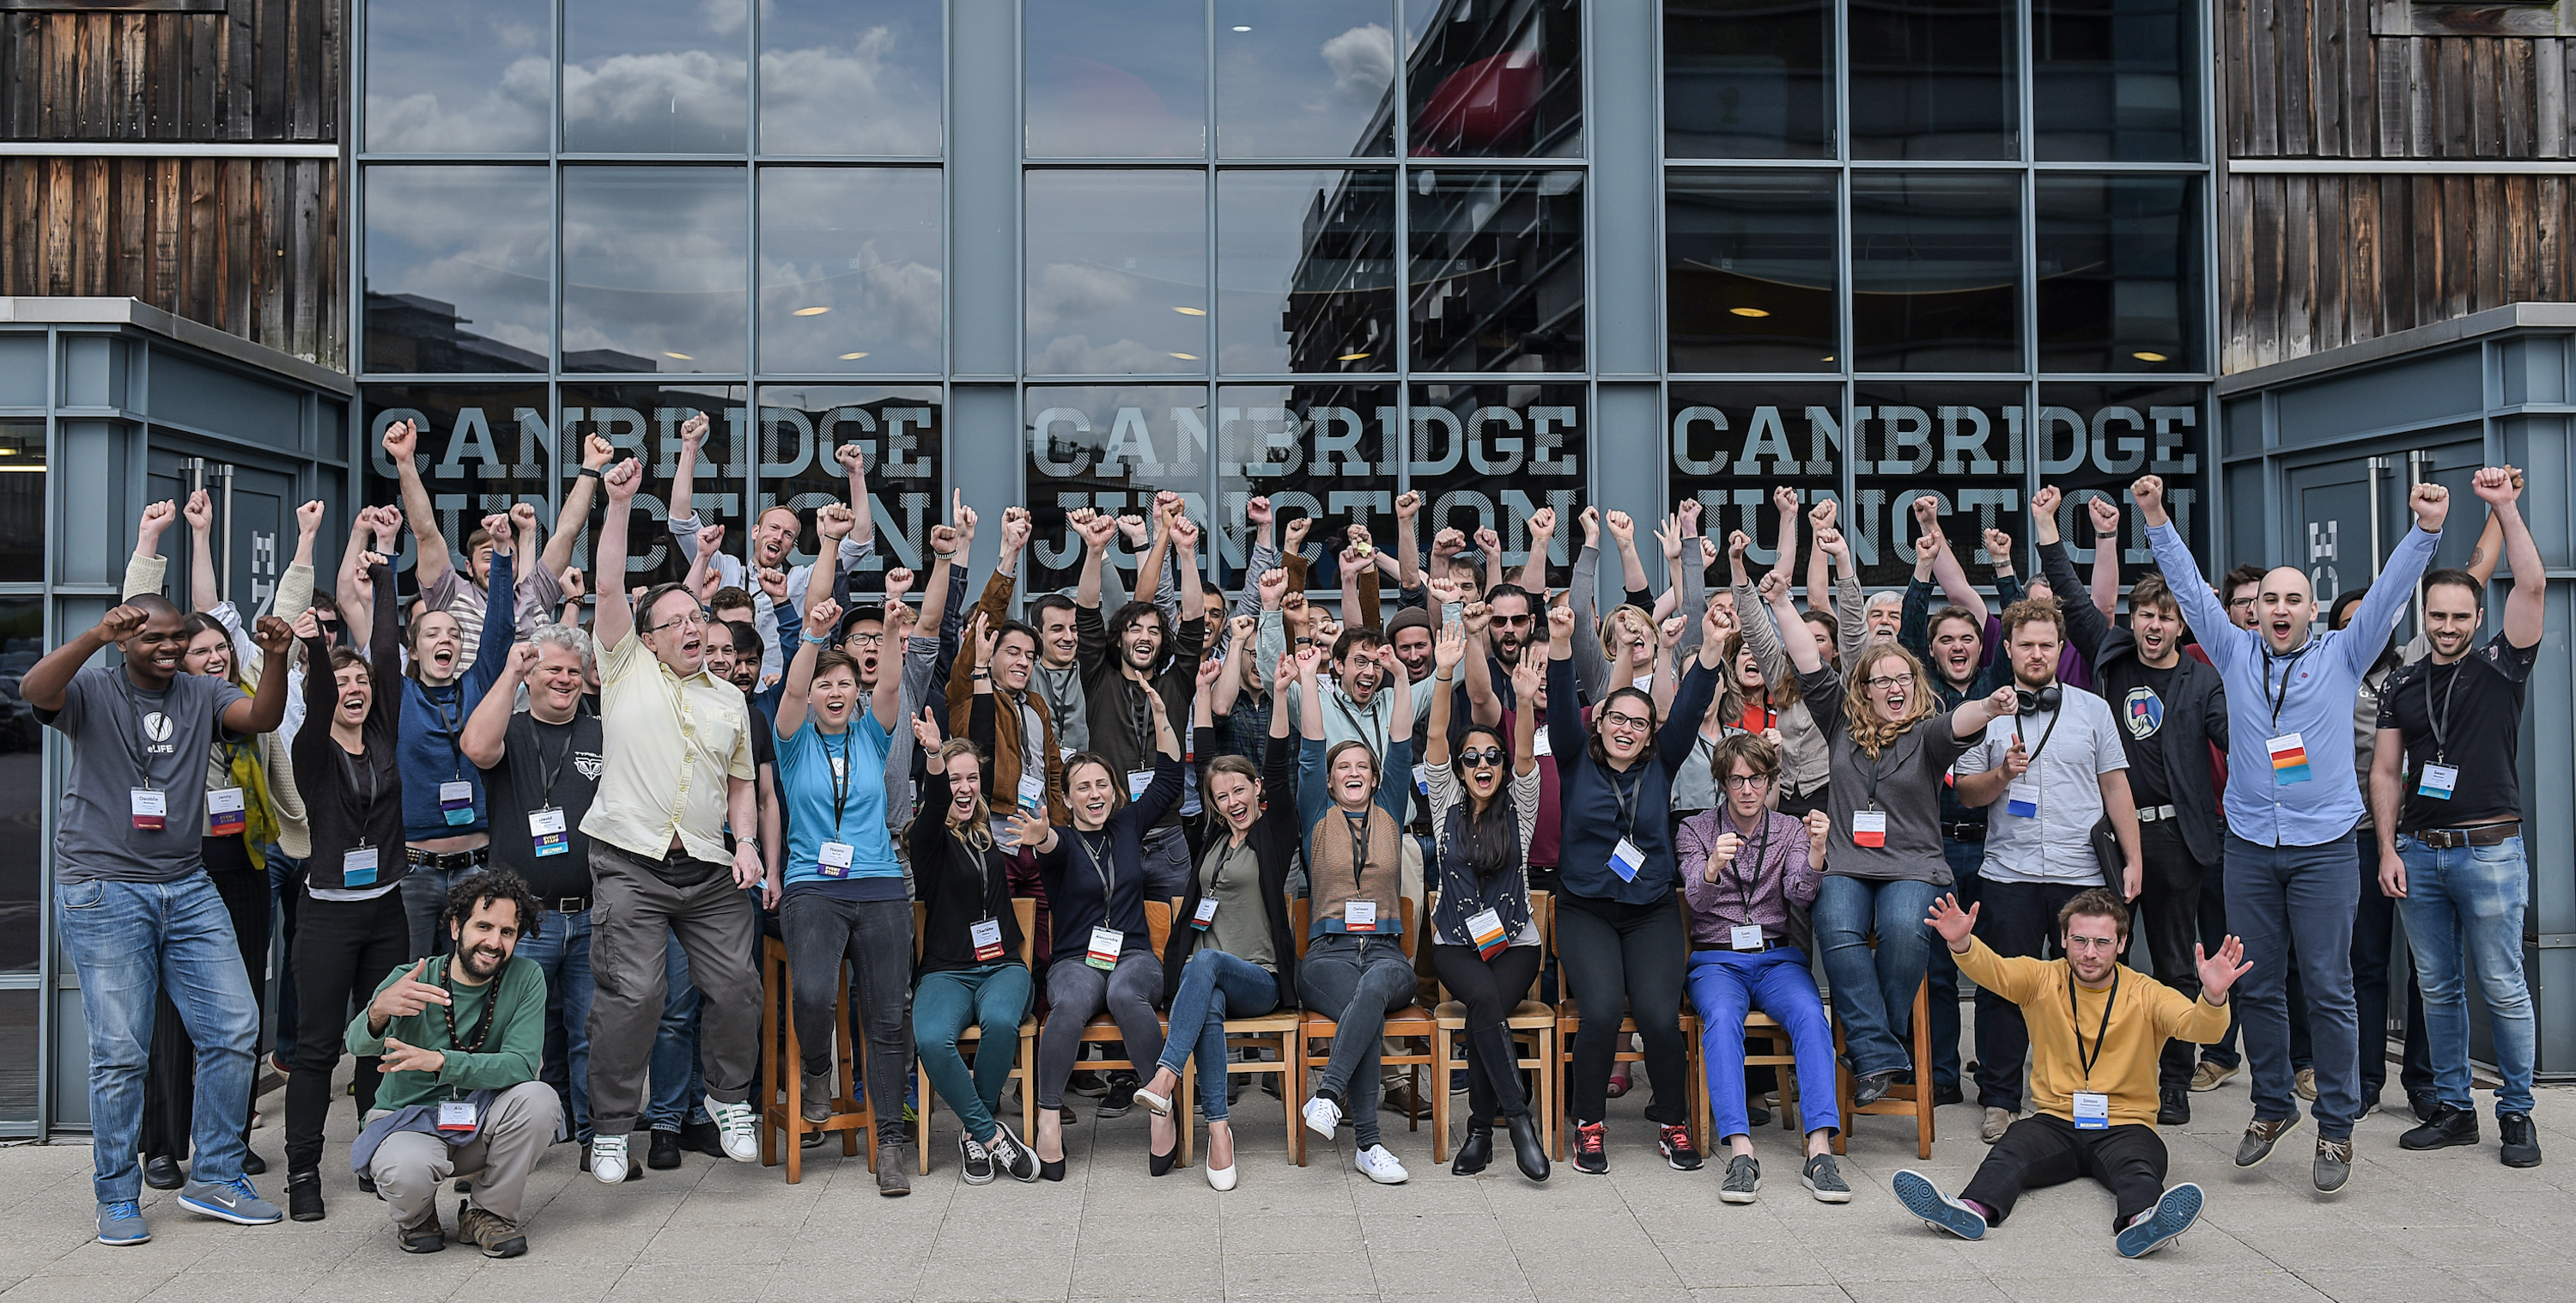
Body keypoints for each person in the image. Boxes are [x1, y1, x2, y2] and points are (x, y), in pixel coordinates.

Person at [2136, 472, 2445, 1194]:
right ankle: (2272, 1107)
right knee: (2257, 984)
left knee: (2331, 988)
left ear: (2312, 608)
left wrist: (2426, 531)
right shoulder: (2234, 649)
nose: (2279, 609)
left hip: (2325, 849)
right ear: (2255, 612)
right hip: (2247, 846)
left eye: (2292, 599)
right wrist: (2154, 516)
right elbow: (2185, 586)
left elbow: (2395, 591)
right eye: (2268, 599)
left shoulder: (2343, 651)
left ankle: (2336, 1126)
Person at [28, 581, 293, 1244]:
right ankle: (117, 1194)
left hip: (185, 881)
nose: (172, 646)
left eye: (178, 635)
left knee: (235, 1025)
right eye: (155, 637)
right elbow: (35, 690)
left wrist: (278, 657)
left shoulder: (202, 693)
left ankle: (216, 1175)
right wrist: (92, 637)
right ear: (126, 642)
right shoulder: (93, 691)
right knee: (120, 1052)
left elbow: (261, 718)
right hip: (103, 887)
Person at [578, 455, 768, 1184]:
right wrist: (618, 501)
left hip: (709, 869)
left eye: (699, 617)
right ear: (647, 636)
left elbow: (742, 784)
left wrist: (746, 843)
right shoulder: (625, 666)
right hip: (629, 860)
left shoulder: (730, 699)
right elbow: (605, 582)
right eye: (677, 621)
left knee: (738, 987)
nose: (692, 627)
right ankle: (612, 1125)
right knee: (639, 994)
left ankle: (728, 1101)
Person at [1765, 567, 2017, 1111]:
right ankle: (1883, 1049)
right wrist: (1783, 603)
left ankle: (1872, 1045)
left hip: (1913, 866)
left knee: (1905, 930)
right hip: (1848, 864)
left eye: (1904, 678)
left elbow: (1962, 721)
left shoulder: (1926, 733)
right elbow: (1810, 662)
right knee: (1835, 924)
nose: (1895, 687)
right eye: (1883, 679)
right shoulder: (1838, 721)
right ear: (1864, 689)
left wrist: (1991, 706)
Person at [1897, 890, 2245, 1259]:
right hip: (2056, 1120)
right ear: (2063, 939)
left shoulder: (2146, 993)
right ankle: (1970, 1210)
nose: (2089, 953)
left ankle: (2144, 1222)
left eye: (2101, 942)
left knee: (2140, 1169)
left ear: (2122, 943)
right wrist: (1962, 942)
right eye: (2079, 940)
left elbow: (2200, 1029)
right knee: (2009, 1151)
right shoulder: (2042, 979)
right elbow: (1995, 971)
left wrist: (2213, 997)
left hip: (2126, 1123)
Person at [2032, 485, 2230, 1128]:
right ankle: (2091, 1076)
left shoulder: (2205, 679)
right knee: (2092, 958)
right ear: (2135, 619)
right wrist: (2047, 525)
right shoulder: (2111, 655)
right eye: (2145, 613)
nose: (2153, 625)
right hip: (2115, 843)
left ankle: (2172, 1083)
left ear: (2182, 625)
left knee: (2174, 964)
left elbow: (2238, 743)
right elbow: (2065, 590)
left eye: (2167, 616)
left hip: (2180, 840)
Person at [2372, 466, 2545, 1168]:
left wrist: (2503, 508)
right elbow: (2385, 771)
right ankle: (2452, 1107)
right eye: (2437, 616)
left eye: (2459, 617)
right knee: (2437, 987)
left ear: (2478, 620)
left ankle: (2518, 1114)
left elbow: (2531, 585)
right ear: (2426, 618)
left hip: (2490, 849)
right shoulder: (2404, 683)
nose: (2446, 627)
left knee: (2502, 983)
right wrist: (2388, 849)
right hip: (2418, 850)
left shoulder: (2502, 666)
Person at [1547, 594, 1726, 1175]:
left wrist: (1713, 648)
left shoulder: (1662, 762)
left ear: (1652, 733)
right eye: (1617, 718)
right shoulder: (1576, 759)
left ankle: (1673, 1119)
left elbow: (1694, 699)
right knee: (1598, 1011)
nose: (1627, 728)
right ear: (1600, 721)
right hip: (1585, 909)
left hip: (1650, 909)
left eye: (1639, 722)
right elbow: (1556, 705)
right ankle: (1589, 1123)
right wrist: (1557, 645)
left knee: (1657, 1015)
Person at [1952, 598, 2142, 1144]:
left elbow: (2115, 786)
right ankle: (2000, 1097)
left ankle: (2081, 1094)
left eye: (2046, 644)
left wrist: (2134, 858)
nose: (2036, 654)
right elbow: (1967, 792)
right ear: (2007, 649)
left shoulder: (2092, 710)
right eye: (2026, 644)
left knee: (2085, 988)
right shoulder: (1986, 712)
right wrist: (2003, 776)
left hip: (2080, 873)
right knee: (2003, 988)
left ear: (2061, 649)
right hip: (2008, 871)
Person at [1131, 657, 1303, 1191]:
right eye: (1223, 796)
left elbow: (1276, 765)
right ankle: (1220, 1133)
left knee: (1204, 965)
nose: (1233, 802)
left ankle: (1166, 1075)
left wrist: (1278, 692)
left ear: (1256, 791)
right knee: (1203, 994)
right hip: (1207, 981)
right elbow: (1204, 759)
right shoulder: (1210, 836)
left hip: (1259, 978)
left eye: (1241, 791)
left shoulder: (1272, 836)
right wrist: (1201, 693)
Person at [1011, 676, 1184, 1181]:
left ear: (1116, 790)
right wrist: (1041, 837)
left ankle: (1160, 1107)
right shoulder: (1061, 841)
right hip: (1074, 961)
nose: (1095, 794)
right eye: (1083, 786)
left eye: (1102, 784)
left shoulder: (1129, 825)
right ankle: (1047, 1120)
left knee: (1130, 995)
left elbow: (1172, 780)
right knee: (1067, 1004)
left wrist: (1162, 716)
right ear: (1066, 797)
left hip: (1132, 957)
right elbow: (1048, 848)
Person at [282, 553, 411, 1223]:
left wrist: (385, 579)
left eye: (360, 679)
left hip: (385, 909)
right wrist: (315, 645)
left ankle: (372, 1149)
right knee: (317, 1047)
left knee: (380, 1039)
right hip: (329, 915)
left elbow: (386, 654)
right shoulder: (310, 747)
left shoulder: (384, 733)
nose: (355, 687)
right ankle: (303, 1171)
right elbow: (326, 689)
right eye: (342, 680)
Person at [771, 594, 916, 1192]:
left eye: (845, 684)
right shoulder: (793, 740)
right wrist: (812, 636)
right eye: (824, 684)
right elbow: (789, 693)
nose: (834, 692)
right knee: (811, 993)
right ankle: (817, 1066)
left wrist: (889, 625)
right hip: (812, 886)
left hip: (880, 885)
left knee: (886, 1015)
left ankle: (889, 1144)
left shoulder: (874, 736)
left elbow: (889, 685)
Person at [345, 872, 558, 1257]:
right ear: (457, 927)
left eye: (507, 932)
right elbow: (356, 1043)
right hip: (407, 1122)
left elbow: (522, 1065)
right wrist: (378, 1011)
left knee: (539, 1100)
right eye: (483, 926)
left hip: (479, 1118)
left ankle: (488, 1214)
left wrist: (440, 1061)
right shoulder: (412, 978)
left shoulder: (526, 978)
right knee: (408, 1169)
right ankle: (418, 1217)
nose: (494, 943)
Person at [460, 625, 608, 1171]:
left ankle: (596, 1135)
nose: (564, 679)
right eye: (552, 669)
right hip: (523, 923)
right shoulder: (511, 728)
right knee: (523, 1033)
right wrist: (509, 673)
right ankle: (534, 1127)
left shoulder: (600, 731)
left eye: (573, 669)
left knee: (589, 1030)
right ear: (532, 675)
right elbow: (475, 747)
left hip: (590, 913)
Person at [1678, 734, 1846, 1204]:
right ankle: (1740, 1152)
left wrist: (1815, 854)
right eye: (1737, 780)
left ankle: (1819, 1151)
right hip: (1717, 958)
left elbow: (1799, 895)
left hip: (1774, 955)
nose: (1747, 789)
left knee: (1813, 1016)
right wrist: (1712, 866)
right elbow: (1695, 897)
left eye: (1756, 779)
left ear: (1771, 780)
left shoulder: (1791, 830)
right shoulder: (1695, 829)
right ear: (1723, 783)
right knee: (1722, 1019)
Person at [1421, 624, 1551, 1182]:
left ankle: (1480, 1132)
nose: (1481, 764)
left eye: (1490, 756)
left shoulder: (1520, 805)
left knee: (1485, 1010)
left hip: (1515, 942)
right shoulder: (1445, 799)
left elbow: (1525, 754)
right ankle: (1519, 1123)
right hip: (1454, 941)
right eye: (1471, 756)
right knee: (1483, 1003)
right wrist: (1443, 672)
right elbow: (1433, 741)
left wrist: (1522, 698)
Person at [1290, 642, 1423, 1185]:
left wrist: (1400, 677)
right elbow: (1310, 744)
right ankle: (1369, 1146)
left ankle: (1327, 1095)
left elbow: (1402, 743)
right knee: (1358, 1005)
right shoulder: (1315, 814)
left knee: (1371, 993)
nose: (1352, 771)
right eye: (1342, 766)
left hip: (1388, 953)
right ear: (1328, 780)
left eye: (1361, 767)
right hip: (1328, 954)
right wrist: (1311, 674)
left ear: (1374, 778)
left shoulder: (1390, 807)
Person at [908, 729, 1042, 1186]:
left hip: (1003, 965)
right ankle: (990, 1136)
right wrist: (932, 757)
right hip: (947, 970)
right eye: (954, 780)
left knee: (1002, 1023)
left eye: (971, 778)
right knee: (929, 1040)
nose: (963, 788)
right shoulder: (928, 840)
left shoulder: (988, 835)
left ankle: (974, 1135)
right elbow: (930, 810)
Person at [392, 506, 521, 959]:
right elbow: (379, 638)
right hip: (414, 872)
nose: (444, 640)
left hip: (477, 868)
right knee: (408, 974)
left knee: (479, 975)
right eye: (431, 634)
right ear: (414, 647)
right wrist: (387, 553)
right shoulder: (399, 695)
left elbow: (500, 630)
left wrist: (503, 554)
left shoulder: (477, 687)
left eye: (453, 634)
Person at [666, 413, 874, 680]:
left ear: (792, 546)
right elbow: (681, 520)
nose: (778, 537)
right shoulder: (724, 567)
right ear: (756, 532)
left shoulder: (800, 580)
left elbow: (859, 543)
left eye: (788, 534)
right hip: (719, 686)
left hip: (776, 692)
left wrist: (856, 473)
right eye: (773, 528)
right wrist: (690, 446)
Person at [380, 420, 565, 673]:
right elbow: (425, 533)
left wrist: (591, 468)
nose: (498, 564)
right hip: (468, 710)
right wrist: (405, 462)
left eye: (505, 556)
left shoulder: (531, 599)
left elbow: (567, 534)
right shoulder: (451, 595)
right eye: (488, 557)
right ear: (468, 566)